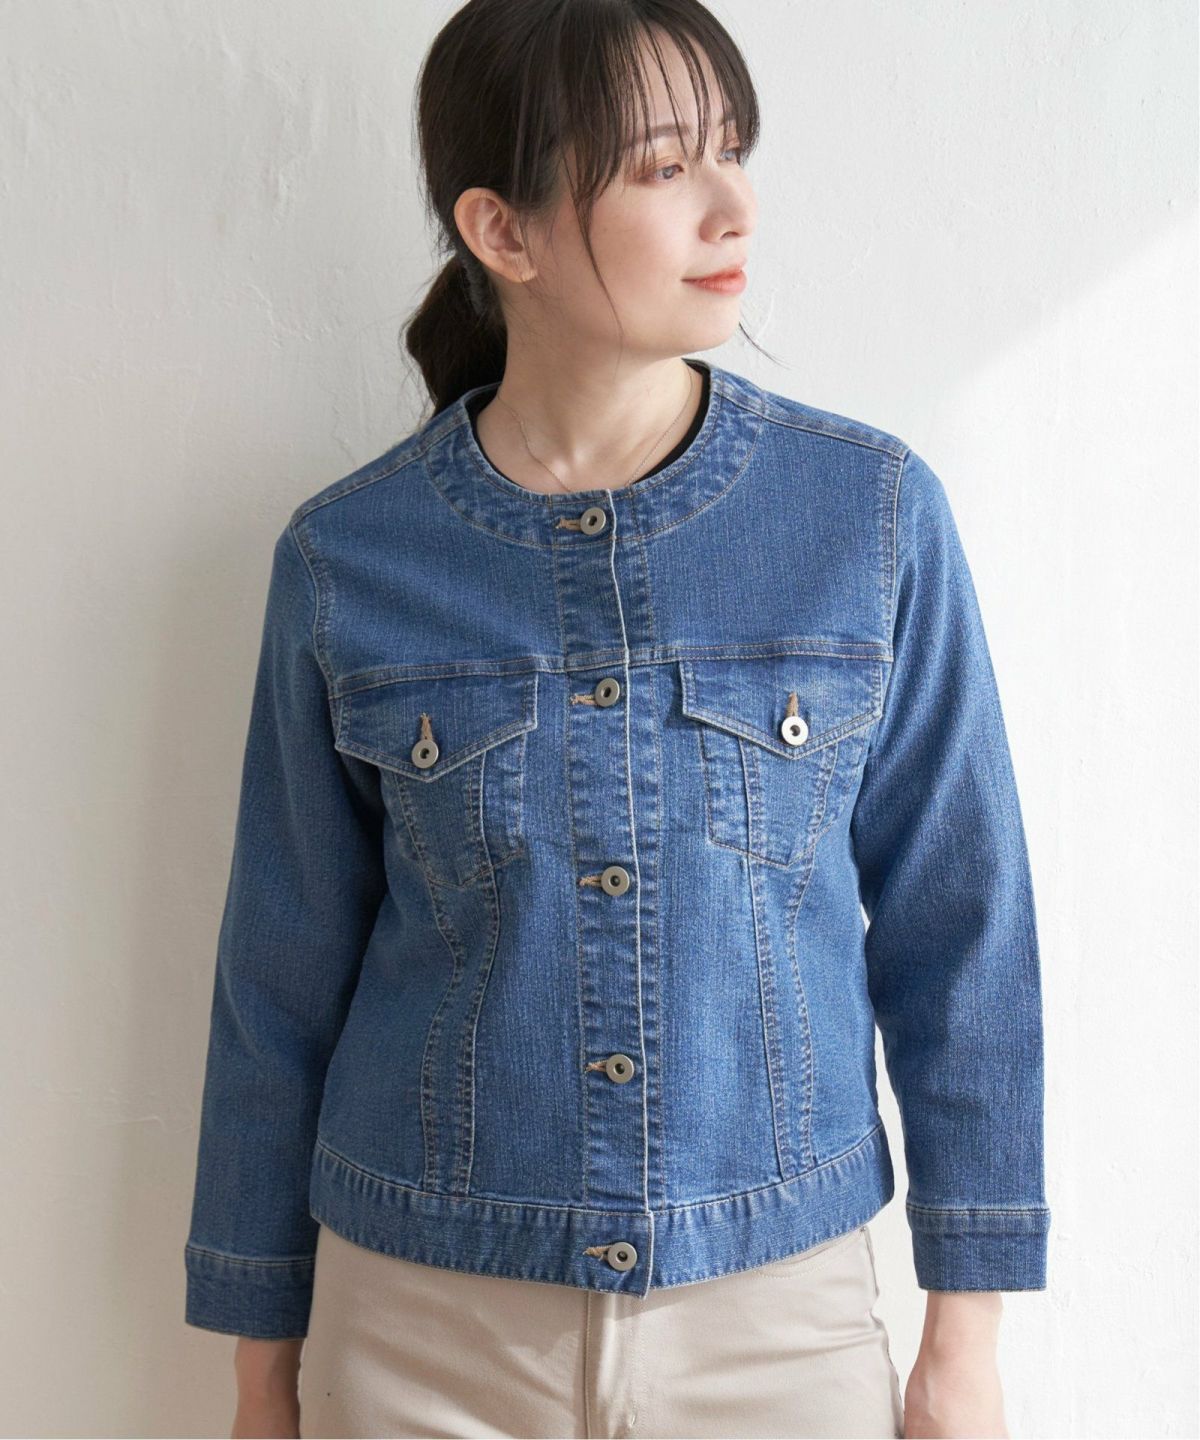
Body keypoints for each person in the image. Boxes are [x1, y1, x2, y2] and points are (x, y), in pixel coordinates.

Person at [182, 2, 1051, 1437]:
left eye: (733, 150)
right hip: (424, 1327)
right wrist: (257, 1368)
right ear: (502, 231)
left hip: (774, 1326)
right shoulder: (349, 560)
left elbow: (966, 930)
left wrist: (969, 1335)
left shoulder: (868, 518)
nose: (732, 205)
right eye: (662, 166)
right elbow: (276, 983)